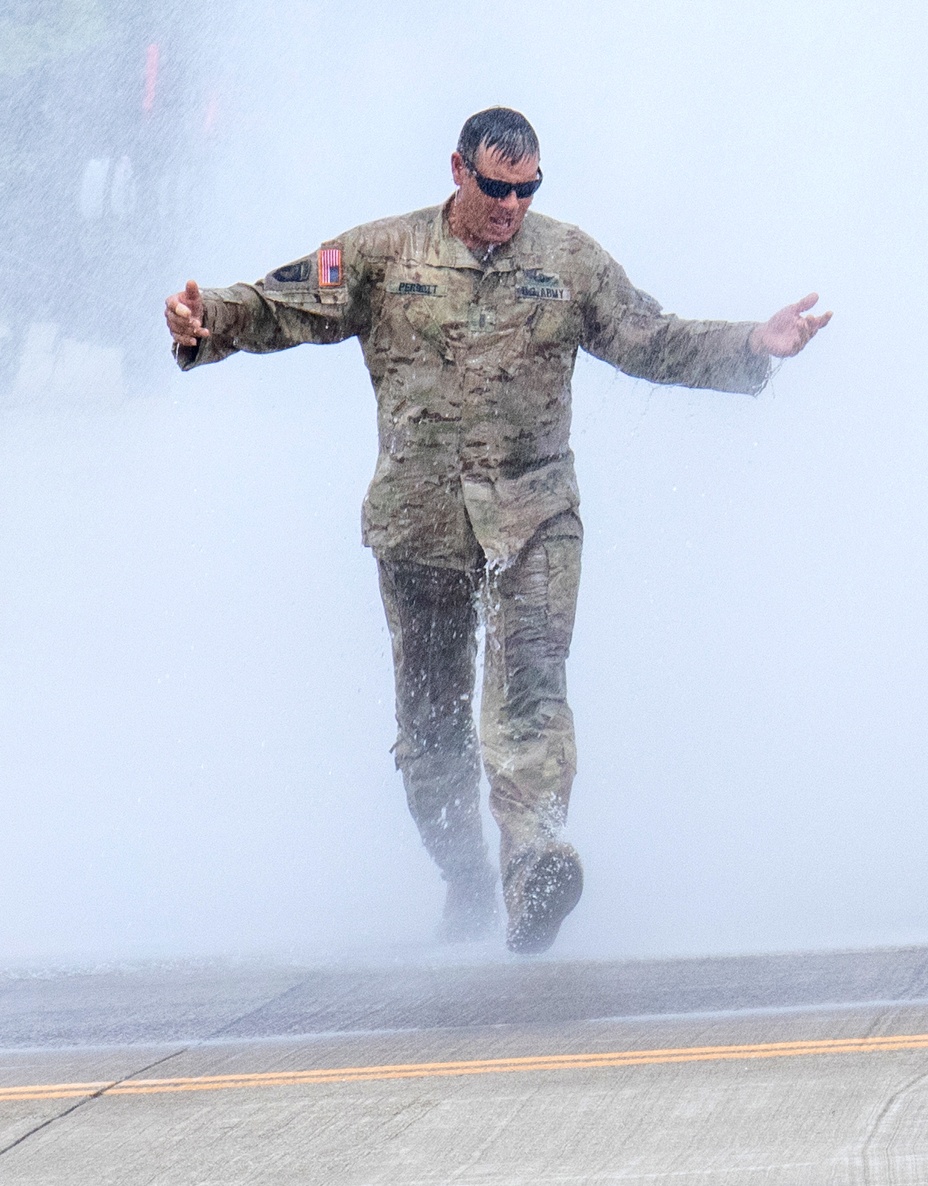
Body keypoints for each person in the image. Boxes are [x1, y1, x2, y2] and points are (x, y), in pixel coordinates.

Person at [165, 107, 831, 954]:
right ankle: (466, 876)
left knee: (529, 695)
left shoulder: (569, 260)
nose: (511, 204)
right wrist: (206, 320)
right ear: (457, 170)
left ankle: (534, 868)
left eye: (527, 188)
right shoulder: (381, 253)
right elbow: (282, 300)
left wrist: (753, 343)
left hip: (535, 516)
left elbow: (646, 338)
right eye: (496, 186)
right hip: (420, 525)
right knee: (434, 733)